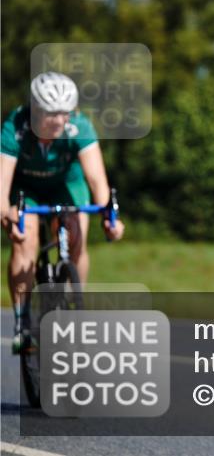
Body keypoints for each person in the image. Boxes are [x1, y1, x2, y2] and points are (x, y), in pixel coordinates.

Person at [1, 72, 125, 353]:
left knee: (76, 232)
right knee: (25, 241)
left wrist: (109, 217)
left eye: (65, 113)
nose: (59, 121)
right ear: (35, 110)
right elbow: (1, 185)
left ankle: (72, 302)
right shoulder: (15, 128)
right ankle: (22, 322)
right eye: (51, 114)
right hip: (26, 188)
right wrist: (6, 214)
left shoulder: (79, 126)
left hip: (66, 184)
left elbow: (96, 180)